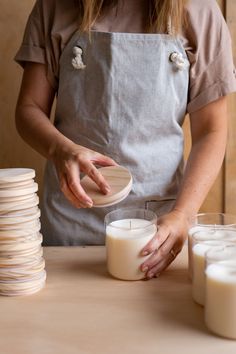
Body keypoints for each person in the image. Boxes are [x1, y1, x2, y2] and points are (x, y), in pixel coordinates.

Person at [15, 0, 236, 279]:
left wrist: (184, 214)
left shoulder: (199, 10)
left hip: (157, 233)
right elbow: (29, 108)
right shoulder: (55, 6)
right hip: (68, 223)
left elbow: (211, 131)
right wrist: (61, 150)